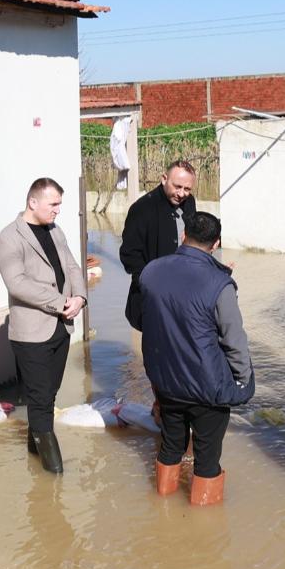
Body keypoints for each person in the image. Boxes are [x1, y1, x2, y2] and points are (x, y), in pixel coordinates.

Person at [140, 212, 255, 506]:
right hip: (207, 388)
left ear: (183, 236)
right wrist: (243, 381)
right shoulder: (220, 284)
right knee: (207, 456)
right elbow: (233, 339)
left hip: (165, 382)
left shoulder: (151, 272)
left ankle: (162, 506)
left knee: (170, 446)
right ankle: (203, 528)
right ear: (216, 244)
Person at [0, 178, 88, 474]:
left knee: (49, 394)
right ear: (33, 202)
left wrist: (81, 297)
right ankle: (54, 474)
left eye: (60, 204)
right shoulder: (9, 237)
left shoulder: (55, 230)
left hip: (61, 327)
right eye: (54, 204)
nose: (58, 210)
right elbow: (17, 283)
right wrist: (61, 302)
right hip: (31, 332)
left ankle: (32, 454)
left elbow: (72, 266)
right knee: (40, 398)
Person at [120, 159, 198, 332]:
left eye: (187, 189)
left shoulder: (190, 202)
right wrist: (152, 284)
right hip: (152, 297)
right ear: (164, 179)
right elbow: (129, 255)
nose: (182, 193)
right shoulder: (142, 209)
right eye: (177, 186)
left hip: (184, 293)